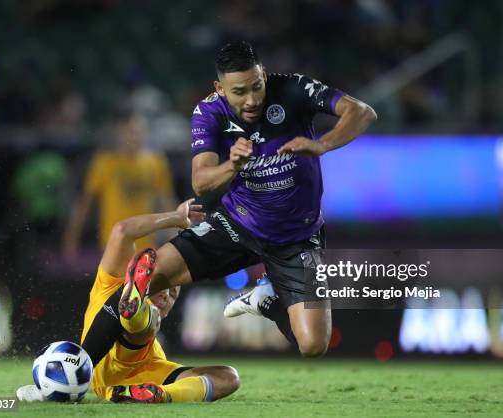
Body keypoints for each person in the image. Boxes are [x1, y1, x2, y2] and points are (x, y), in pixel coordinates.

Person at [147, 40, 377, 357]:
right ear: (220, 88)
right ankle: (91, 359)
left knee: (313, 345)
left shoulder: (294, 89)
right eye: (240, 92)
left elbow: (362, 112)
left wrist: (322, 144)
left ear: (264, 75)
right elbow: (201, 182)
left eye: (257, 86)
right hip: (239, 224)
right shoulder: (208, 112)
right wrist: (234, 164)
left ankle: (265, 300)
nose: (252, 99)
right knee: (148, 275)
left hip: (297, 236)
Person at [17, 199, 240, 403]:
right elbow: (122, 231)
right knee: (148, 319)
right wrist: (176, 217)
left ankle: (160, 395)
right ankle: (134, 310)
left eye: (173, 295)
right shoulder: (110, 285)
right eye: (164, 288)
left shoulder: (154, 355)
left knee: (228, 377)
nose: (166, 294)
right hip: (105, 360)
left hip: (126, 383)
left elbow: (122, 231)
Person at [63, 109, 175, 256]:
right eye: (131, 131)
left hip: (145, 245)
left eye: (140, 131)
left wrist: (175, 237)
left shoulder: (155, 163)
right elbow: (85, 203)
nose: (136, 136)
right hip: (114, 244)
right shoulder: (105, 163)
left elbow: (166, 202)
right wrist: (71, 239)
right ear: (120, 132)